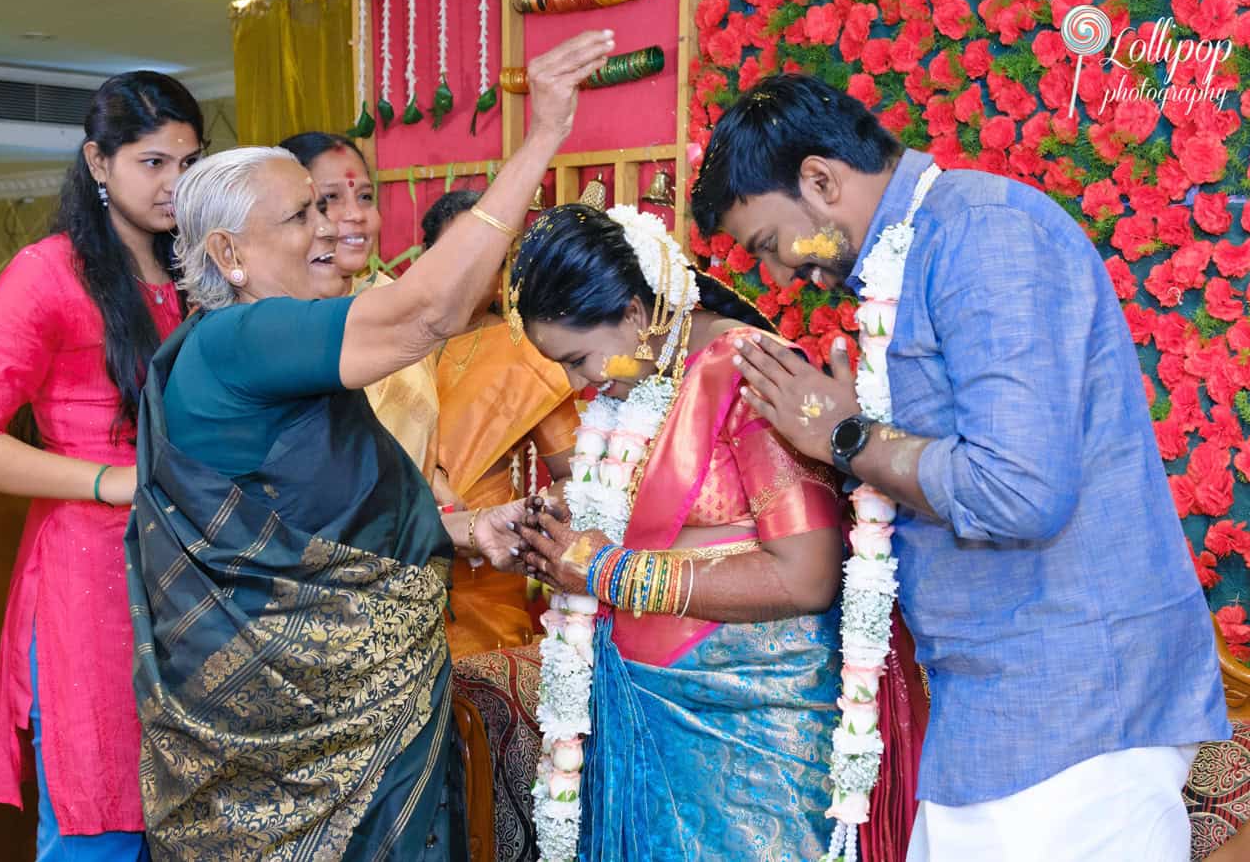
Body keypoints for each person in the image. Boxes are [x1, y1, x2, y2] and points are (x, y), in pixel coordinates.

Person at [692, 73, 1229, 860]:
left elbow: (1019, 489)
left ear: (820, 179)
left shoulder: (985, 236)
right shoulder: (922, 253)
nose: (774, 277)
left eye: (772, 244)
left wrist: (847, 438)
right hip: (999, 707)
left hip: (1074, 705)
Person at [124, 31, 615, 860]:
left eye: (331, 206)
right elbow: (428, 313)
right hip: (307, 745)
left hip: (377, 722)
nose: (334, 227)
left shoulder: (265, 352)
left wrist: (469, 532)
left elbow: (322, 523)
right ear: (228, 256)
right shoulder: (242, 339)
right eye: (304, 213)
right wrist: (542, 136)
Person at [505, 203, 922, 859]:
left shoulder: (749, 371)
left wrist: (606, 570)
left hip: (752, 746)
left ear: (636, 317)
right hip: (649, 726)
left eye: (579, 357)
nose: (575, 381)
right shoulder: (640, 389)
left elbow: (806, 573)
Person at [0, 71, 202, 860]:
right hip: (87, 574)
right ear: (99, 163)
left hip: (194, 570)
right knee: (98, 814)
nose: (174, 184)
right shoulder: (48, 272)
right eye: (153, 163)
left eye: (188, 163)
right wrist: (111, 481)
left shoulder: (201, 273)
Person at [420, 189, 580, 658]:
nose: (467, 275)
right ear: (426, 259)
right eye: (453, 257)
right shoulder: (391, 343)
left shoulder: (528, 354)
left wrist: (522, 522)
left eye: (484, 260)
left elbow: (576, 477)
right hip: (395, 555)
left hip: (483, 572)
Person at [279, 131, 443, 479]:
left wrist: (436, 479)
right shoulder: (272, 318)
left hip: (411, 524)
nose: (355, 214)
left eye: (366, 196)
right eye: (330, 199)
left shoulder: (401, 303)